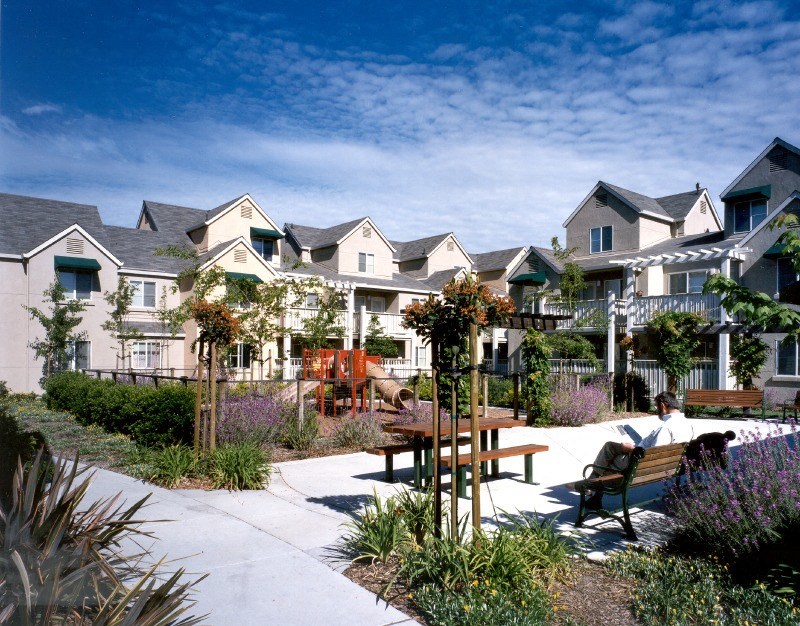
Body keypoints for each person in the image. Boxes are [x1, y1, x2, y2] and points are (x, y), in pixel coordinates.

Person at [582, 391, 693, 510]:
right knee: (611, 451)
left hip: (639, 465)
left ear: (663, 405)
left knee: (609, 448)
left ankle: (591, 483)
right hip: (667, 466)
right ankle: (594, 492)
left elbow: (651, 455)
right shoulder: (687, 424)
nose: (657, 410)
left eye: (656, 406)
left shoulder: (666, 427)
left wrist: (631, 449)